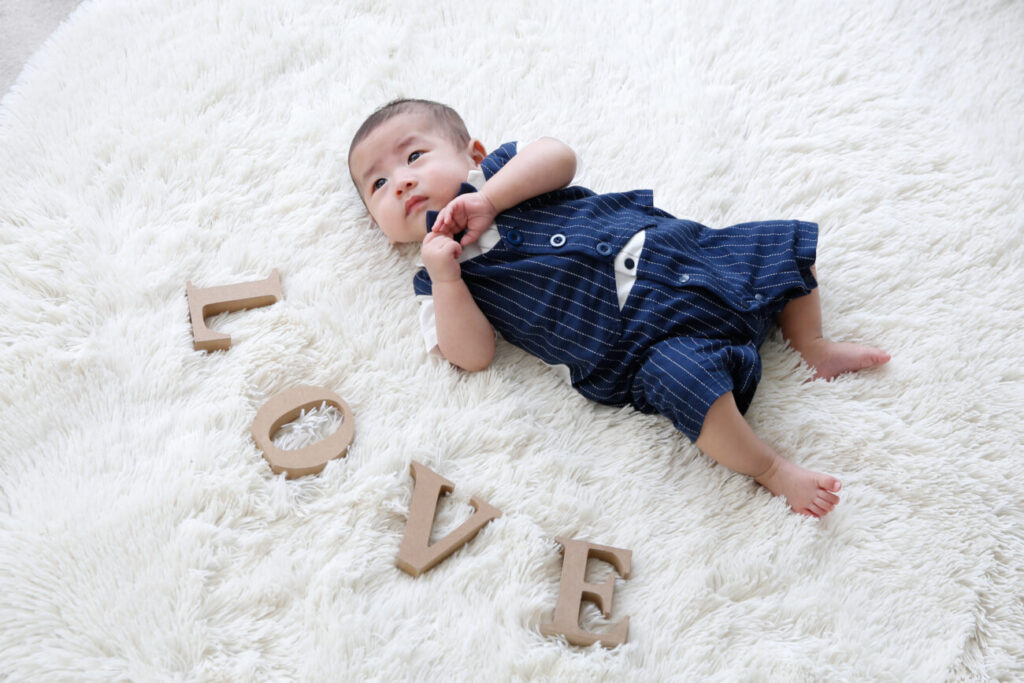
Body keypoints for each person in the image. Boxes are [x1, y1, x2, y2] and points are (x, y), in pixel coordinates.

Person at [347, 98, 891, 518]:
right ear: (380, 228)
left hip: (686, 258)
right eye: (378, 184)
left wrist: (490, 199)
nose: (402, 182)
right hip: (643, 346)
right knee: (685, 386)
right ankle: (769, 467)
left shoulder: (501, 178)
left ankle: (809, 345)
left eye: (414, 156)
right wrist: (446, 275)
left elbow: (560, 157)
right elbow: (472, 355)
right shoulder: (438, 280)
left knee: (776, 247)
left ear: (474, 155)